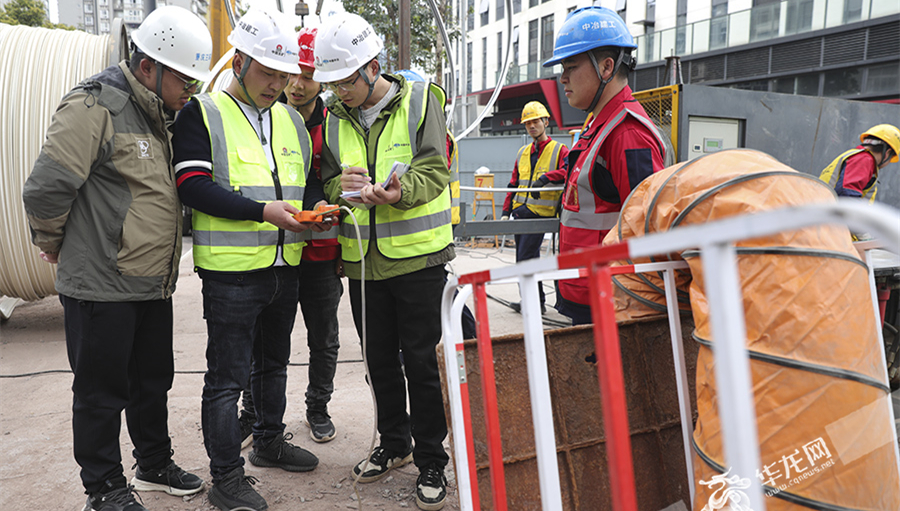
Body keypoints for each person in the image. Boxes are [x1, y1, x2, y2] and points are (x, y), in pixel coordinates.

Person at [21, 6, 211, 511]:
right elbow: (46, 188)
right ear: (148, 66)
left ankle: (153, 464)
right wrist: (52, 242)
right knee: (101, 393)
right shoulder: (95, 105)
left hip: (151, 281)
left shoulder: (163, 114)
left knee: (152, 382)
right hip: (101, 284)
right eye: (184, 80)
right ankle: (103, 487)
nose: (191, 90)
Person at [172, 9, 325, 511]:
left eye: (284, 75)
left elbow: (306, 183)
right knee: (226, 380)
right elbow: (192, 186)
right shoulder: (203, 113)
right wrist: (263, 212)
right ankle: (226, 478)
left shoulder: (291, 120)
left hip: (284, 267)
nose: (277, 84)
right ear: (239, 62)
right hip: (232, 275)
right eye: (267, 72)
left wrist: (320, 208)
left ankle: (268, 441)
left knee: (274, 365)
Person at [314, 13, 453, 511]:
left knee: (422, 363)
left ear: (373, 67)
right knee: (379, 362)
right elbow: (328, 179)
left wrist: (399, 191)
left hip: (418, 261)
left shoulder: (420, 100)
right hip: (364, 264)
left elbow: (435, 168)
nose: (339, 91)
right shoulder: (334, 116)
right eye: (332, 83)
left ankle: (432, 459)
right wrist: (343, 188)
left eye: (346, 81)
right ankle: (395, 444)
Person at [543, 6, 668, 326]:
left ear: (607, 67)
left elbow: (646, 231)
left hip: (609, 302)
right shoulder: (598, 123)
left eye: (571, 67)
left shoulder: (627, 133)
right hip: (589, 291)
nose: (562, 78)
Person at [500, 101, 568, 314]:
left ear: (546, 122)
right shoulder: (522, 152)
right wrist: (505, 211)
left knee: (526, 258)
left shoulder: (559, 150)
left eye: (536, 121)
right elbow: (513, 184)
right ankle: (534, 301)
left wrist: (546, 178)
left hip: (540, 214)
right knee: (524, 259)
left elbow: (569, 171)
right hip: (520, 213)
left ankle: (534, 303)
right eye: (528, 123)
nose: (531, 126)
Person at [819, 124, 900, 202]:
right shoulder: (864, 159)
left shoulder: (857, 156)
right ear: (887, 153)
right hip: (833, 210)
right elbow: (848, 195)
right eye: (891, 158)